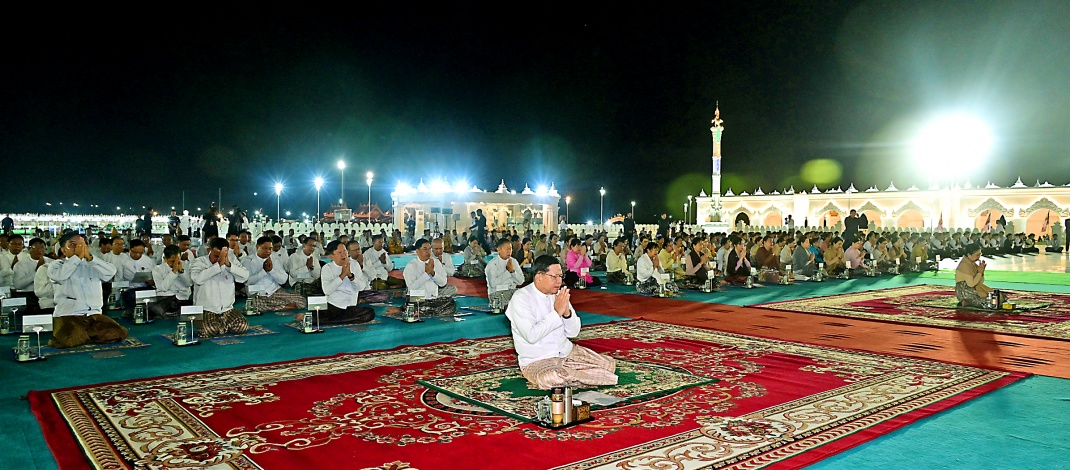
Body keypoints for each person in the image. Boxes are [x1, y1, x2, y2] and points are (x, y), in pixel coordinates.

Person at [504, 255, 617, 389]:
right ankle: (587, 376)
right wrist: (557, 313)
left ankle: (583, 376)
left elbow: (574, 332)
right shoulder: (521, 298)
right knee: (553, 377)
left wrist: (567, 313)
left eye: (560, 277)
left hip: (566, 353)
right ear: (539, 276)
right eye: (554, 277)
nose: (559, 281)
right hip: (538, 360)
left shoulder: (558, 295)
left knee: (609, 365)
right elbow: (531, 336)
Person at [47, 232, 126, 348]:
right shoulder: (57, 265)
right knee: (74, 337)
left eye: (82, 245)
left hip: (93, 314)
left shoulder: (92, 263)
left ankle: (86, 335)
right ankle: (84, 335)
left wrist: (90, 258)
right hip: (68, 314)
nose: (79, 248)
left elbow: (110, 272)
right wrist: (77, 258)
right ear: (64, 250)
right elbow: (60, 276)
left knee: (117, 333)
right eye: (73, 245)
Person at [190, 237, 250, 338]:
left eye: (222, 256)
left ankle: (220, 326)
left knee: (242, 326)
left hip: (227, 309)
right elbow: (197, 279)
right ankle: (221, 326)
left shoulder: (231, 261)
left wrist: (229, 265)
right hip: (206, 309)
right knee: (208, 331)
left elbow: (244, 277)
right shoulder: (199, 262)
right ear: (209, 250)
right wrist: (218, 265)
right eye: (216, 256)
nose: (219, 259)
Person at [317, 240, 376, 324]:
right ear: (331, 256)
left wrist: (351, 276)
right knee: (319, 313)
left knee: (369, 313)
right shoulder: (327, 268)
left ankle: (332, 320)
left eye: (345, 251)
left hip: (350, 307)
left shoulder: (354, 265)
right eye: (339, 252)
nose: (343, 255)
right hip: (333, 306)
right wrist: (342, 275)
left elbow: (362, 287)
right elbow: (327, 291)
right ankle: (338, 319)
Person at [246, 236, 307, 314]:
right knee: (254, 305)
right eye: (265, 248)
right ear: (257, 247)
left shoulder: (274, 260)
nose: (268, 251)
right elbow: (247, 281)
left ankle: (277, 307)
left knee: (302, 301)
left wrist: (271, 270)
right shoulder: (248, 261)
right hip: (258, 293)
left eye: (270, 248)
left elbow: (283, 280)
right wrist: (263, 271)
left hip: (274, 291)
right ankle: (282, 306)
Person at [402, 238, 457, 316]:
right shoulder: (411, 266)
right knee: (418, 303)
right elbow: (411, 288)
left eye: (429, 249)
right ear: (417, 251)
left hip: (433, 298)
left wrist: (433, 273)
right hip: (417, 298)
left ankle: (419, 312)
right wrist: (426, 274)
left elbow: (443, 283)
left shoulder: (436, 262)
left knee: (451, 304)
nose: (428, 252)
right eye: (425, 249)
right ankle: (420, 311)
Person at [150, 244, 193, 319]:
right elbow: (163, 288)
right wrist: (174, 272)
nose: (175, 264)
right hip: (165, 298)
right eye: (173, 261)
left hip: (183, 298)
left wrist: (181, 272)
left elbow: (189, 284)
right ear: (165, 259)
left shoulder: (186, 265)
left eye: (177, 260)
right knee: (155, 308)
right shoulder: (157, 269)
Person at [955, 243, 1002, 307]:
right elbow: (971, 284)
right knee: (990, 302)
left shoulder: (972, 263)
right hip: (965, 292)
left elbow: (980, 282)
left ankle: (969, 302)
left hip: (973, 289)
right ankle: (966, 301)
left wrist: (981, 272)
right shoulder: (964, 265)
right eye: (977, 255)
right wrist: (979, 272)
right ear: (969, 255)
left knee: (999, 297)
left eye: (980, 254)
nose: (979, 257)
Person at [486, 237, 526, 307]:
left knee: (526, 297)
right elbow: (493, 284)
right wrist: (508, 272)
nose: (509, 251)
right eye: (507, 249)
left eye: (510, 249)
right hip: (497, 293)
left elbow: (521, 281)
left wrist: (513, 272)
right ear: (499, 249)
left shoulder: (513, 261)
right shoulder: (492, 264)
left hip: (512, 291)